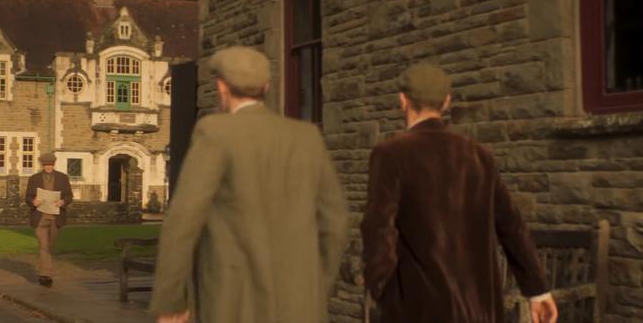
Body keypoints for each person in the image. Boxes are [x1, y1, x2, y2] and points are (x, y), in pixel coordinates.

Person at [150, 46, 349, 323]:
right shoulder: (307, 137)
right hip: (301, 304)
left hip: (232, 302)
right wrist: (316, 286)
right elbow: (336, 224)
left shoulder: (216, 132)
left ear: (221, 87)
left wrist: (171, 300)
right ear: (266, 86)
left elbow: (183, 220)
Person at [361, 63, 558, 323]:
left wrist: (384, 293)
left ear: (403, 101)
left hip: (419, 310)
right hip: (479, 311)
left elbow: (378, 230)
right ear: (446, 102)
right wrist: (538, 291)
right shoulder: (479, 155)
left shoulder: (391, 154)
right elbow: (512, 227)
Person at [24, 152, 74, 288]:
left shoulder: (63, 178)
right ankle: (45, 275)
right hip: (39, 217)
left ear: (54, 164)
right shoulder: (34, 179)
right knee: (44, 246)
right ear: (42, 165)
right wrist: (33, 202)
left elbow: (69, 196)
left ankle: (45, 268)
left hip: (56, 217)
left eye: (50, 165)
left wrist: (63, 201)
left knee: (49, 247)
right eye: (46, 165)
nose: (48, 167)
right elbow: (28, 197)